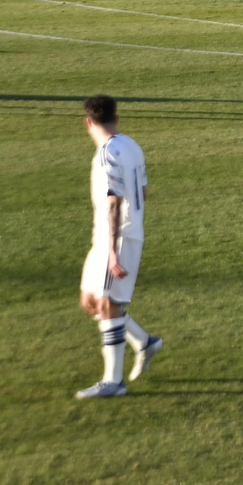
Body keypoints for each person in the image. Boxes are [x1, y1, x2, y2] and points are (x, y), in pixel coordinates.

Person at [75, 94, 163, 400]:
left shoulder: (106, 154)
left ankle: (113, 381)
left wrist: (112, 249)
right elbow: (144, 191)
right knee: (89, 300)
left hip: (118, 237)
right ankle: (144, 341)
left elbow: (114, 201)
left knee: (108, 304)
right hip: (107, 237)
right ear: (117, 118)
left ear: (88, 122)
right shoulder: (131, 145)